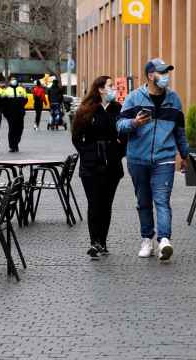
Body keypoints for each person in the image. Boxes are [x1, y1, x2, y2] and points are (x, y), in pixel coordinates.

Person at [117, 58, 189, 261]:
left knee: (162, 200)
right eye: (162, 72)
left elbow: (180, 131)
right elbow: (119, 126)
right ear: (150, 75)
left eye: (167, 72)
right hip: (137, 159)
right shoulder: (133, 98)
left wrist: (184, 154)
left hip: (164, 158)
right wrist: (134, 122)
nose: (166, 76)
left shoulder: (174, 99)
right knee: (143, 202)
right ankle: (147, 239)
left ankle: (164, 240)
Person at [71, 76, 125, 259]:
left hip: (112, 163)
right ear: (100, 89)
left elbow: (125, 134)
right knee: (94, 203)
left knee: (106, 204)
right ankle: (94, 242)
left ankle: (103, 241)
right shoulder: (86, 110)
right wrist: (88, 153)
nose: (113, 89)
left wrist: (118, 152)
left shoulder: (118, 109)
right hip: (91, 166)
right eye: (110, 86)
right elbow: (76, 138)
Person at [3, 76, 29, 152]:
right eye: (12, 80)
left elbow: (26, 99)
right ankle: (12, 146)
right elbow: (4, 103)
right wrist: (5, 112)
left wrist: (20, 105)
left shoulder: (22, 89)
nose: (14, 81)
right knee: (11, 129)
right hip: (10, 114)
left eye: (14, 80)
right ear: (10, 81)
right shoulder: (6, 90)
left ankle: (16, 143)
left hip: (20, 113)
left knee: (20, 129)